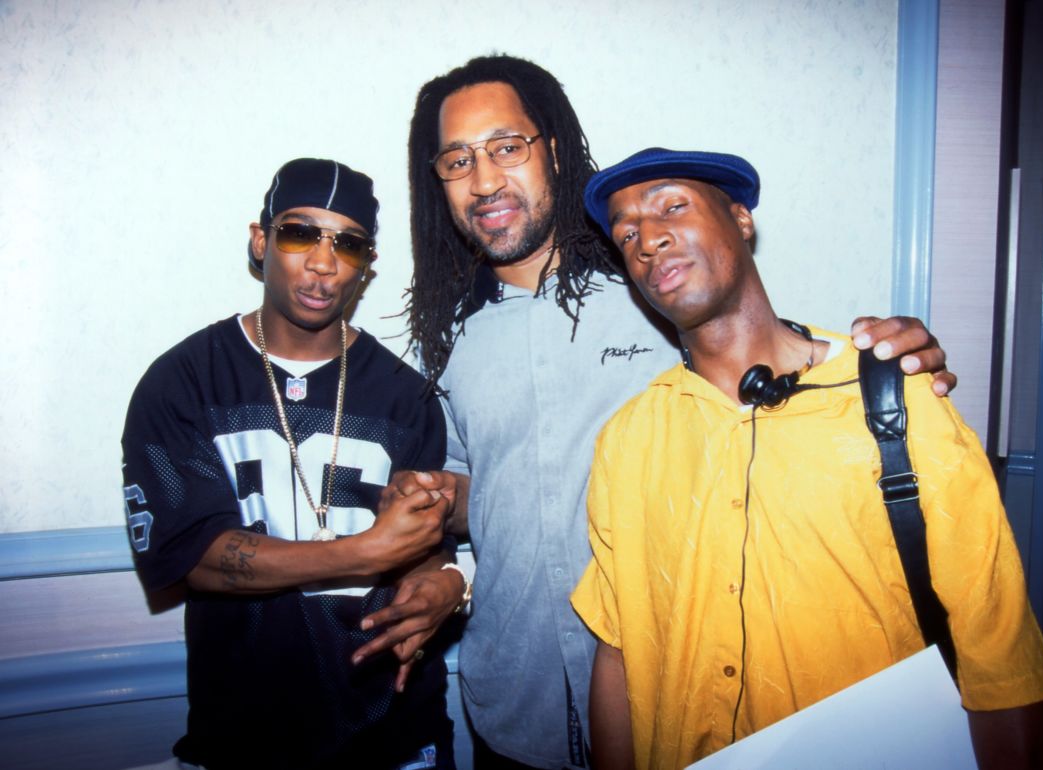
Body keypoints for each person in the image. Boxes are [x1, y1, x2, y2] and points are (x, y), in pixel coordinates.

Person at [362, 55, 957, 770]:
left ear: (551, 149)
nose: (484, 179)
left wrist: (884, 360)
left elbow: (770, 359)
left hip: (677, 705)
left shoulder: (653, 284)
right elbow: (472, 490)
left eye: (506, 147)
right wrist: (431, 504)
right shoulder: (451, 337)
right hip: (510, 707)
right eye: (458, 160)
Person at [570, 148, 1043, 770]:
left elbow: (999, 653)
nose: (648, 240)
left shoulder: (898, 396)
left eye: (673, 207)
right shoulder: (628, 439)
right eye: (627, 233)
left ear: (741, 220)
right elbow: (618, 650)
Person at [121, 158, 466, 770]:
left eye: (349, 244)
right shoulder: (185, 380)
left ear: (366, 266)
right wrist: (363, 552)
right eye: (300, 233)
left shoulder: (405, 394)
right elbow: (196, 558)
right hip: (243, 739)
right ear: (261, 240)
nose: (323, 263)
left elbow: (426, 545)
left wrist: (446, 584)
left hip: (395, 734)